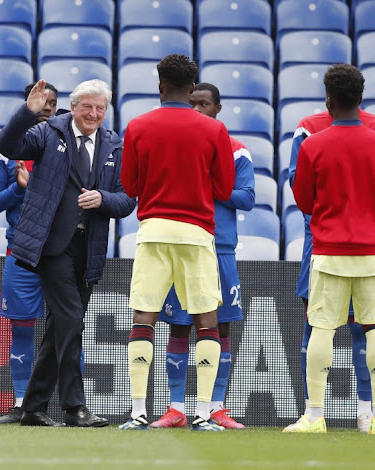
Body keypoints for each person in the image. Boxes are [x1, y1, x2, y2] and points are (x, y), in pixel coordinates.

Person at [0, 79, 135, 428]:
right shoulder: (47, 132)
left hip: (88, 250)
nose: (93, 113)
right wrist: (28, 112)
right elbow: (8, 145)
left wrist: (103, 199)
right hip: (50, 246)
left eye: (99, 108)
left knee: (59, 326)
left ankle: (32, 408)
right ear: (72, 108)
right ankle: (75, 407)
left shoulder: (115, 145)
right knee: (72, 320)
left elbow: (127, 200)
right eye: (86, 106)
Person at [286, 74, 375, 434]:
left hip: (328, 252)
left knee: (322, 329)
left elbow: (304, 201)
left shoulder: (314, 145)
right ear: (361, 98)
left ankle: (313, 417)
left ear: (329, 99)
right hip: (372, 252)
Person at [118, 54, 235, 432]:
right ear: (192, 87)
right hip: (197, 233)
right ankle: (203, 412)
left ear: (160, 86)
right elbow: (225, 188)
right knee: (206, 320)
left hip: (153, 230)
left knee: (144, 317)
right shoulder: (214, 131)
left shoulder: (137, 126)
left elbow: (130, 187)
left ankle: (137, 412)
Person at [150, 82, 254, 430]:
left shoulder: (236, 151)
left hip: (219, 247)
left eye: (204, 104)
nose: (197, 109)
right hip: (183, 245)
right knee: (178, 326)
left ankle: (214, 407)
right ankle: (176, 407)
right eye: (192, 103)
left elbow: (247, 197)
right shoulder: (179, 148)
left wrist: (212, 184)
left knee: (219, 326)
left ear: (217, 108)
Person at [0, 82, 58, 424]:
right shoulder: (3, 153)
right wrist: (18, 187)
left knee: (68, 330)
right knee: (22, 329)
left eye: (52, 102)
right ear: (28, 103)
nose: (47, 106)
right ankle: (20, 403)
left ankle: (70, 403)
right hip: (20, 251)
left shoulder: (68, 144)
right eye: (41, 101)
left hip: (60, 252)